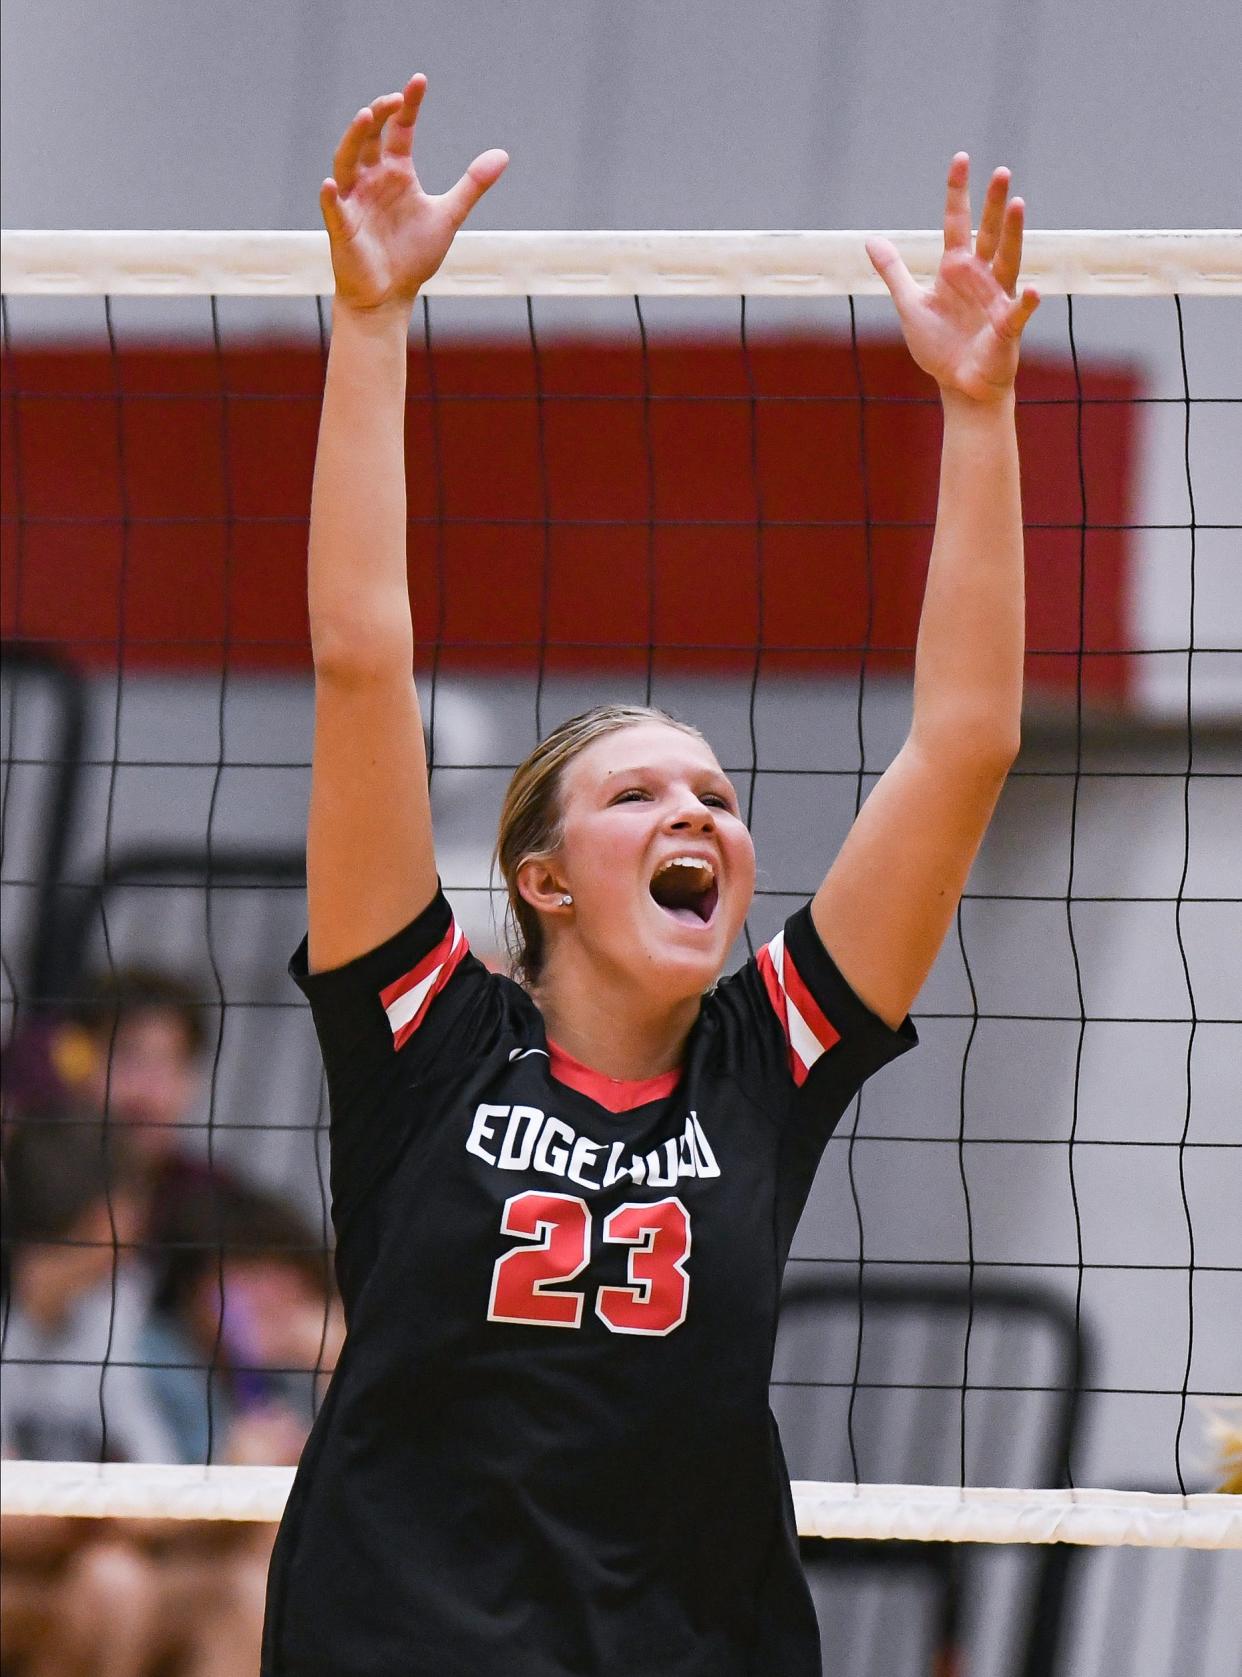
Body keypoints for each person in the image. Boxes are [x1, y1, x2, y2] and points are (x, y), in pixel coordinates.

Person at [262, 74, 1039, 1677]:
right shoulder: (424, 1037)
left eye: (718, 793)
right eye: (639, 793)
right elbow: (359, 663)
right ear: (541, 879)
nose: (700, 812)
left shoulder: (766, 1061)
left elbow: (962, 742)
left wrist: (976, 413)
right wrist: (369, 325)